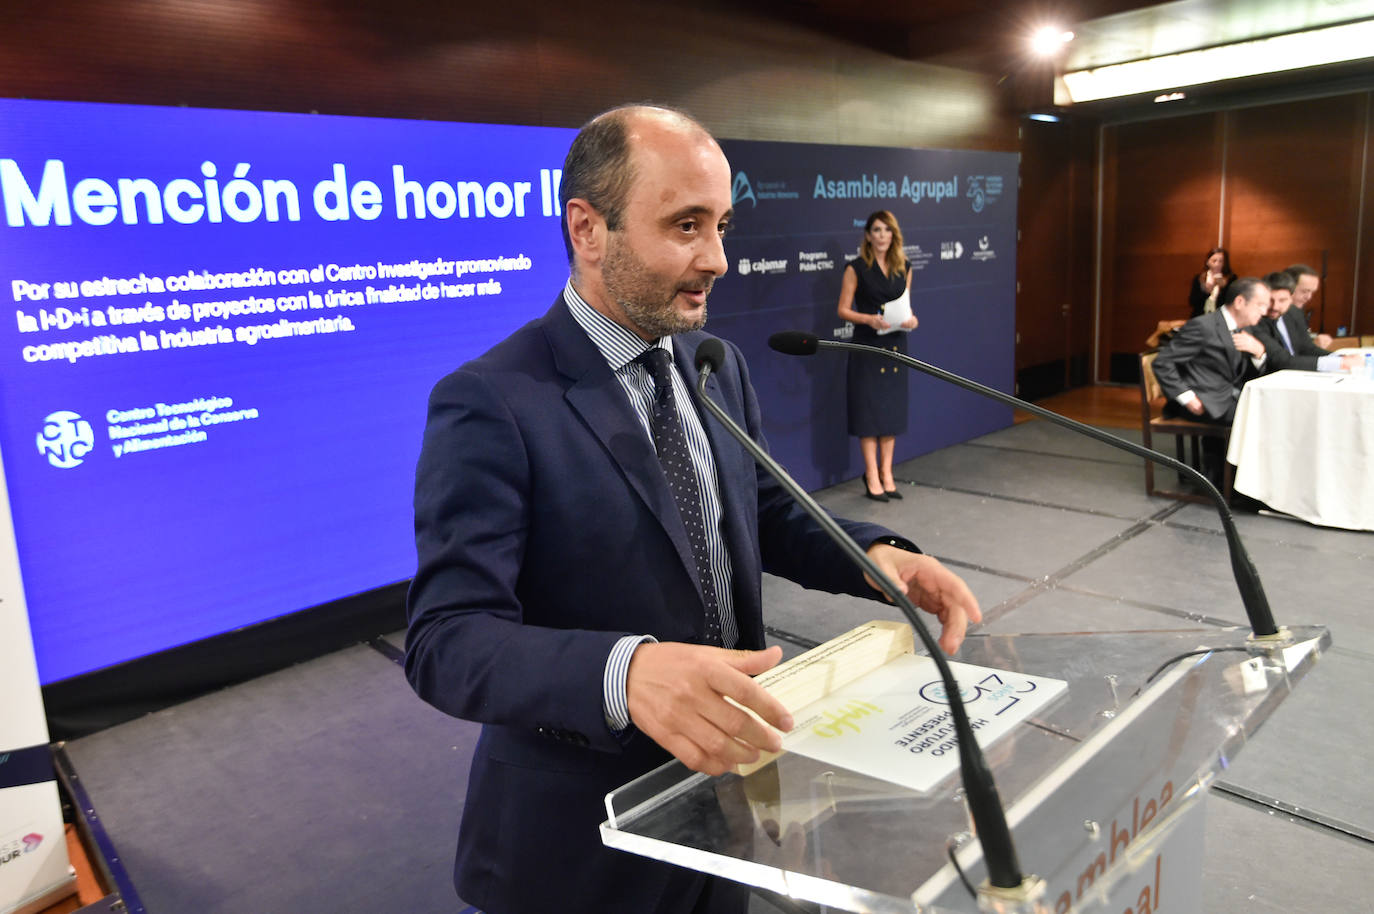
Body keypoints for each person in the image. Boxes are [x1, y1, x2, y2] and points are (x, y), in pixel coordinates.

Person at [404, 104, 982, 914]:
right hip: (579, 849)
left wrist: (877, 558)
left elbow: (763, 511)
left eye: (722, 225)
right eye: (685, 225)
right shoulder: (491, 402)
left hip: (724, 808)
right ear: (588, 229)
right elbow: (446, 639)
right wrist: (626, 671)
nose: (716, 259)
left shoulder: (716, 364)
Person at [1153, 277, 1271, 487]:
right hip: (1203, 401)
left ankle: (1241, 482)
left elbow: (1246, 371)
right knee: (1257, 417)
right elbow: (1163, 362)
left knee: (1267, 411)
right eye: (1260, 305)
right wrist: (1187, 397)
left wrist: (1258, 353)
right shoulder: (1203, 326)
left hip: (1226, 395)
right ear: (1240, 302)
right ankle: (1239, 485)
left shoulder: (1246, 329)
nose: (1264, 311)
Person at [835, 210, 919, 501]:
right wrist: (869, 319)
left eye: (887, 230)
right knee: (869, 414)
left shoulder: (904, 266)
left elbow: (907, 307)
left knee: (891, 412)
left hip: (896, 347)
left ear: (893, 235)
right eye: (877, 230)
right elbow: (843, 309)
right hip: (868, 347)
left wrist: (911, 320)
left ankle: (887, 474)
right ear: (868, 236)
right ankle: (871, 475)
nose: (882, 235)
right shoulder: (855, 268)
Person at [1252, 270, 1359, 372]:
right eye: (1270, 300)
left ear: (1291, 298)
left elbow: (1308, 348)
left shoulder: (1294, 312)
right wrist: (1339, 363)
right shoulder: (1255, 320)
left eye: (1282, 300)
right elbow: (1283, 361)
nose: (1275, 306)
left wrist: (1340, 358)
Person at [1286, 263, 1333, 348]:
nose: (1309, 297)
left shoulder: (1298, 311)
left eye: (1312, 292)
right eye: (1304, 291)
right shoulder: (1270, 316)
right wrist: (1312, 346)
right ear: (1287, 287)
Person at [1188, 247, 1236, 318]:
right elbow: (1192, 302)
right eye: (1214, 261)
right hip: (1201, 316)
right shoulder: (1200, 278)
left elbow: (1232, 303)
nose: (1217, 264)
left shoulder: (1231, 278)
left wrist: (1224, 287)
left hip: (1221, 318)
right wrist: (1207, 291)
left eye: (1221, 261)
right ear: (1207, 262)